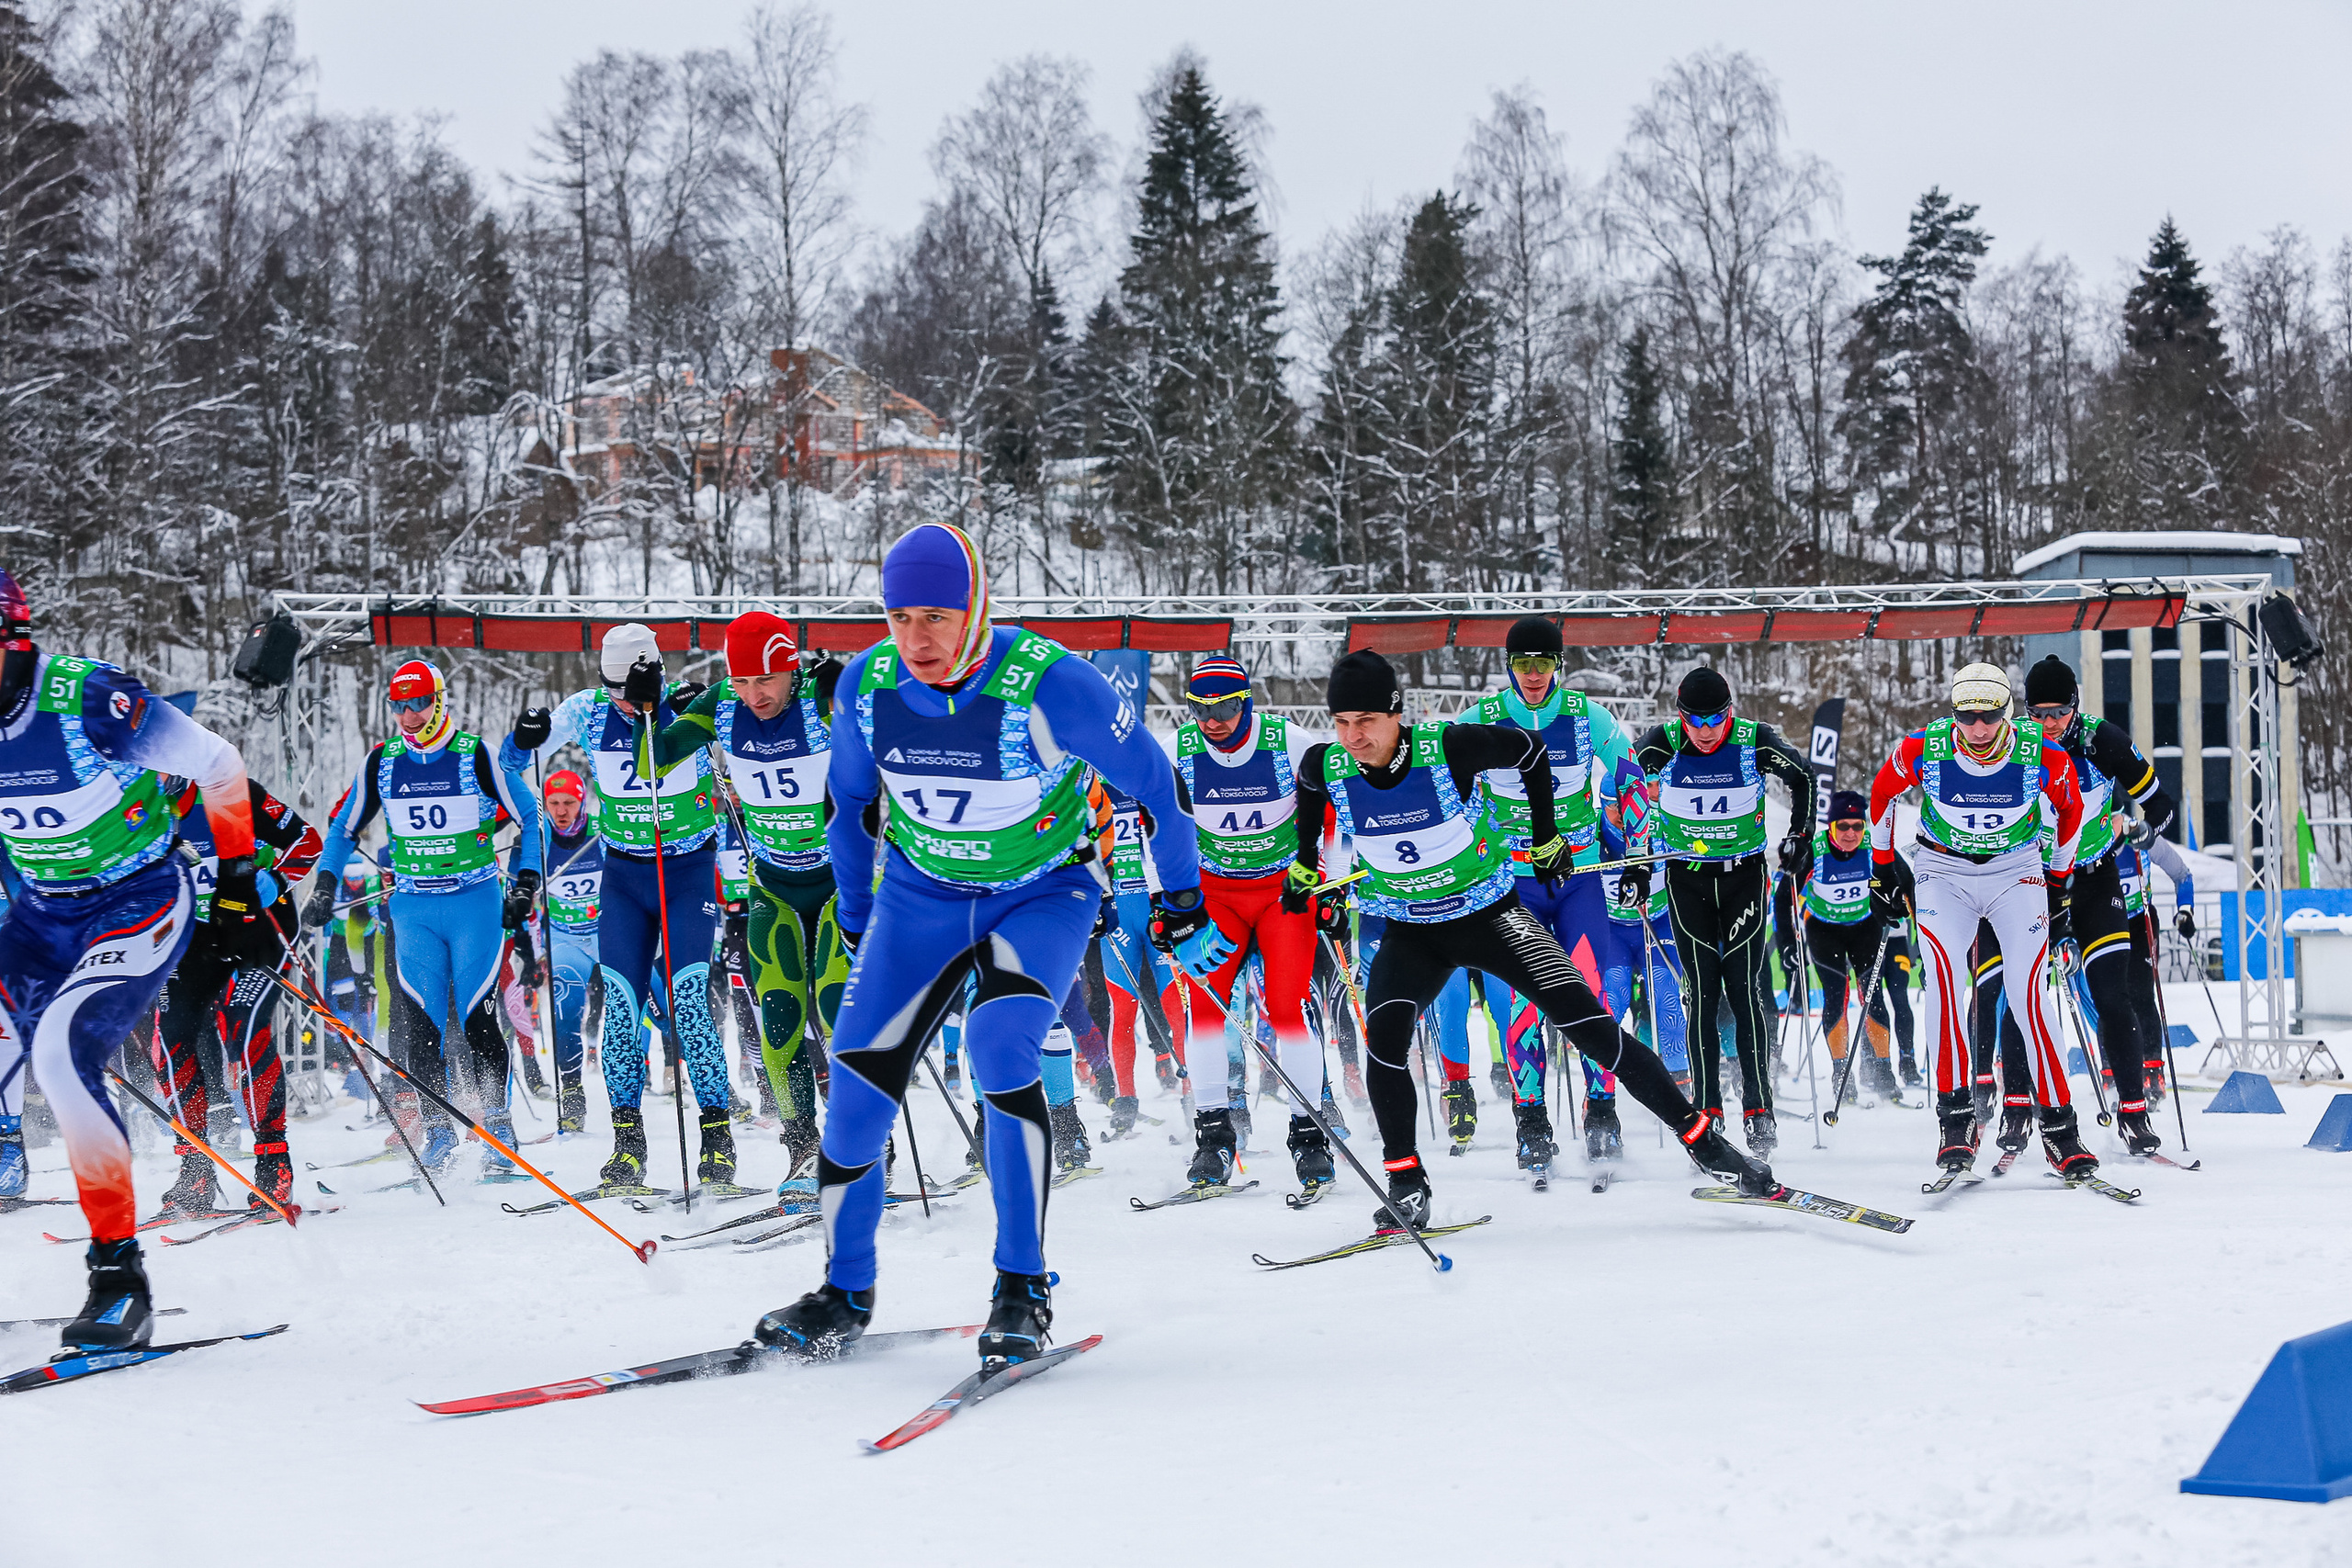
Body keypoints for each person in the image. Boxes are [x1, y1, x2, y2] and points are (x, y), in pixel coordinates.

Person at [752, 522, 1218, 1369]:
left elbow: (1157, 784)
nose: (918, 637)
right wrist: (857, 915)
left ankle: (1022, 1283)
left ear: (977, 606)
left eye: (938, 613)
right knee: (855, 1086)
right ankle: (843, 1289)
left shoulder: (1052, 685)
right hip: (919, 897)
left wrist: (1183, 898)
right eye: (900, 616)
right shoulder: (866, 685)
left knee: (1002, 1048)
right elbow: (850, 808)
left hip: (1041, 894)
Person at [1291, 649, 1772, 1229]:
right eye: (1341, 723)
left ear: (1396, 713)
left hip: (1491, 918)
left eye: (1365, 721)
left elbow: (1531, 753)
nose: (1353, 736)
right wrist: (1305, 868)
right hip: (1413, 931)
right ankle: (1407, 1183)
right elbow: (1308, 788)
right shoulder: (1328, 763)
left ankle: (1705, 1143)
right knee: (1385, 1045)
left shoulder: (1449, 746)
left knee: (1591, 1028)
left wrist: (1546, 838)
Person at [0, 569, 274, 1352]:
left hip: (140, 895)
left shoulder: (88, 700)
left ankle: (119, 1279)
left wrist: (239, 890)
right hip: (43, 913)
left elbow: (219, 767)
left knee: (59, 1053)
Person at [509, 626, 734, 1190]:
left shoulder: (687, 703)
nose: (624, 703)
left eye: (633, 691)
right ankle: (627, 1142)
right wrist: (523, 734)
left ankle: (717, 1136)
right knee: (621, 1010)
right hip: (626, 879)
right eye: (615, 690)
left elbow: (751, 742)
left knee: (689, 1003)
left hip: (686, 874)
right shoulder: (586, 709)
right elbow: (513, 760)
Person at [301, 660, 543, 1177]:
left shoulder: (475, 754)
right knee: (418, 1026)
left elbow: (532, 818)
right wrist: (324, 883)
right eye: (399, 705)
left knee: (478, 1017)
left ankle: (499, 1129)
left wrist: (525, 882)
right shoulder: (382, 762)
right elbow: (344, 829)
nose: (409, 716)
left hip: (473, 902)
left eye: (418, 703)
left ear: (439, 700)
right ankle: (437, 1132)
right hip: (412, 907)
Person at [642, 612, 847, 1188]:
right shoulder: (723, 705)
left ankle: (866, 1144)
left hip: (840, 884)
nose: (755, 695)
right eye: (742, 682)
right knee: (778, 1021)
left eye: (767, 680)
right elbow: (651, 759)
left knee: (836, 1014)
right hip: (773, 887)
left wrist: (852, 683)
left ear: (789, 667)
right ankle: (803, 1147)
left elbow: (901, 712)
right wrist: (653, 708)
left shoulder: (820, 697)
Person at [1867, 661, 2091, 1177]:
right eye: (1966, 717)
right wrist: (1882, 866)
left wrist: (2058, 882)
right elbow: (1882, 795)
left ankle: (2060, 1129)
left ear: (2007, 712)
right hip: (1943, 871)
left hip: (2016, 873)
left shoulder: (2043, 754)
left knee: (2028, 991)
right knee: (1946, 983)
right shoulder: (1923, 749)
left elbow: (2072, 812)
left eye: (1989, 717)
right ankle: (1956, 1120)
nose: (1978, 730)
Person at [1464, 616, 1640, 1174]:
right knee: (1522, 1003)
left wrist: (1634, 855)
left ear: (1558, 665)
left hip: (1579, 879)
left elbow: (1630, 780)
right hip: (1513, 883)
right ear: (1509, 667)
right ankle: (1531, 1119)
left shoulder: (1588, 716)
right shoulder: (1481, 721)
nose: (1534, 675)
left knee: (1591, 995)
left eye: (1544, 663)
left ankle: (1603, 1112)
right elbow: (1450, 788)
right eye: (1523, 664)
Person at [1163, 655, 1337, 1197]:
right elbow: (1157, 825)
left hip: (1284, 891)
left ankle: (1309, 1136)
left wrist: (1331, 885)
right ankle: (1214, 1135)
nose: (1213, 721)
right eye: (1201, 709)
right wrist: (1163, 902)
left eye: (1225, 708)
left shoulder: (1290, 742)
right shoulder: (1179, 752)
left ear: (1247, 703)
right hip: (1216, 896)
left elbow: (1331, 813)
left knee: (1287, 1009)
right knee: (1208, 1007)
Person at [1629, 667, 1817, 1155]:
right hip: (1687, 880)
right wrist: (1637, 863)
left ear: (1730, 711)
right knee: (1702, 994)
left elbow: (1802, 777)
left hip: (1743, 879)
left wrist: (1800, 836)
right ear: (1681, 716)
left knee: (1745, 988)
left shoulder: (1755, 740)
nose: (1709, 730)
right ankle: (1708, 1110)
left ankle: (1759, 1109)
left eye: (1718, 718)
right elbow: (1626, 787)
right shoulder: (1662, 743)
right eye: (1697, 721)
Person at [151, 776, 321, 1215]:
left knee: (241, 1026)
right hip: (194, 942)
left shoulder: (229, 793)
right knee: (169, 1035)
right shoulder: (131, 806)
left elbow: (307, 842)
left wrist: (275, 879)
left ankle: (273, 1164)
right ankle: (196, 1167)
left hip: (256, 933)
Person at [1800, 790, 1900, 1102]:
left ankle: (1883, 1071)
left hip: (1865, 927)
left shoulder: (1874, 849)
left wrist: (1900, 903)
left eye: (1858, 826)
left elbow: (1904, 881)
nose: (1851, 834)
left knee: (1873, 995)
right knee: (1835, 997)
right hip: (1823, 929)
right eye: (1843, 826)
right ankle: (1841, 1072)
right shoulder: (1814, 852)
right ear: (1831, 827)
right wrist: (1789, 943)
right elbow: (1783, 892)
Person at [537, 770, 600, 1133]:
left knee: (653, 1002)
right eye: (554, 803)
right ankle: (572, 1093)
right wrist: (532, 956)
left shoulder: (600, 834)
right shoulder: (540, 840)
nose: (561, 811)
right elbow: (524, 899)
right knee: (565, 1008)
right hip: (565, 939)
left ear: (581, 801)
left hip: (608, 933)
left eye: (569, 803)